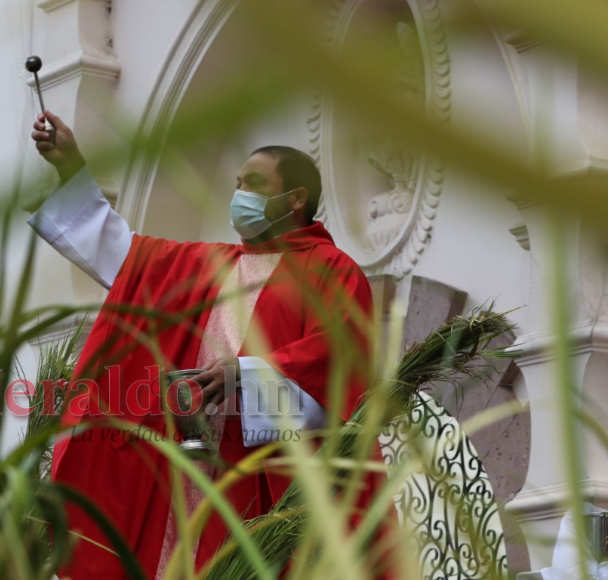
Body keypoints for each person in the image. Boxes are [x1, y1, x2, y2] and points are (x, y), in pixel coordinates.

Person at [29, 111, 385, 579]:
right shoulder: (206, 264)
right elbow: (124, 256)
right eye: (238, 183)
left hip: (264, 485)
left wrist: (245, 375)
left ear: (295, 198)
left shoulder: (332, 272)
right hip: (183, 480)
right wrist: (72, 167)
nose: (239, 195)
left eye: (254, 183)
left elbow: (339, 373)